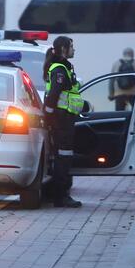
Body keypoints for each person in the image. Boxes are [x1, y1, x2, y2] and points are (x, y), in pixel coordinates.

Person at [43, 36, 83, 208]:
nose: (74, 50)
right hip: (62, 119)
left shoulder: (64, 67)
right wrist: (50, 115)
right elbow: (54, 95)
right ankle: (60, 196)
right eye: (72, 47)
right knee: (63, 157)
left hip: (64, 117)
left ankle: (60, 194)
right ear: (63, 49)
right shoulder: (60, 69)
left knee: (62, 156)